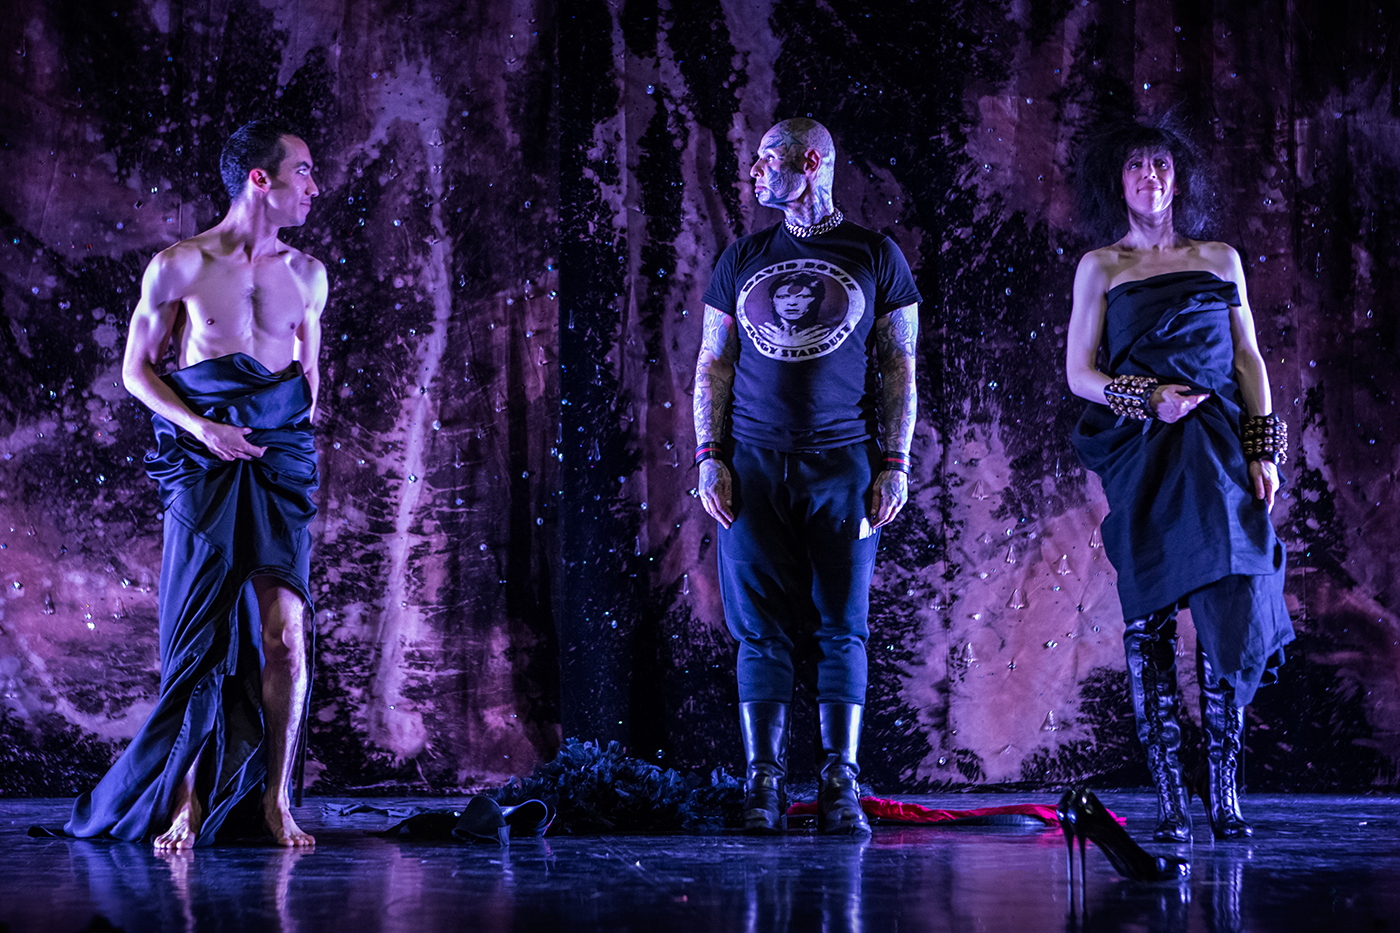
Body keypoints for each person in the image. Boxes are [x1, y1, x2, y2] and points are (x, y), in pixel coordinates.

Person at [64, 120, 325, 848]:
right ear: (260, 178)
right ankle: (185, 801)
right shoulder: (179, 265)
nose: (315, 185)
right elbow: (135, 370)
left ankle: (276, 799)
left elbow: (309, 376)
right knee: (198, 639)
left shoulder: (308, 274)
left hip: (277, 462)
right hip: (203, 461)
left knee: (287, 635)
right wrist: (204, 428)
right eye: (304, 170)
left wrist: (283, 433)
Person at [1065, 120, 1294, 841]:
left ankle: (1224, 797)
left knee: (1232, 595)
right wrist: (1148, 398)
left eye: (1161, 164)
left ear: (1178, 175)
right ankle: (1171, 802)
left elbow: (1249, 358)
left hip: (1219, 444)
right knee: (1151, 617)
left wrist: (1263, 448)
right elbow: (1079, 374)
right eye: (1136, 166)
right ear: (1118, 181)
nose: (1151, 177)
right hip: (1143, 450)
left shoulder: (1219, 258)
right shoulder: (1101, 266)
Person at [694, 117, 921, 835]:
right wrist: (709, 457)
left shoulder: (876, 255)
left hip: (844, 465)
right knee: (759, 629)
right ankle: (763, 782)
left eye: (769, 159)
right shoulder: (742, 256)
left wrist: (895, 463)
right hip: (753, 466)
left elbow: (899, 367)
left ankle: (838, 781)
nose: (755, 172)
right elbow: (713, 363)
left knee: (841, 624)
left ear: (812, 162)